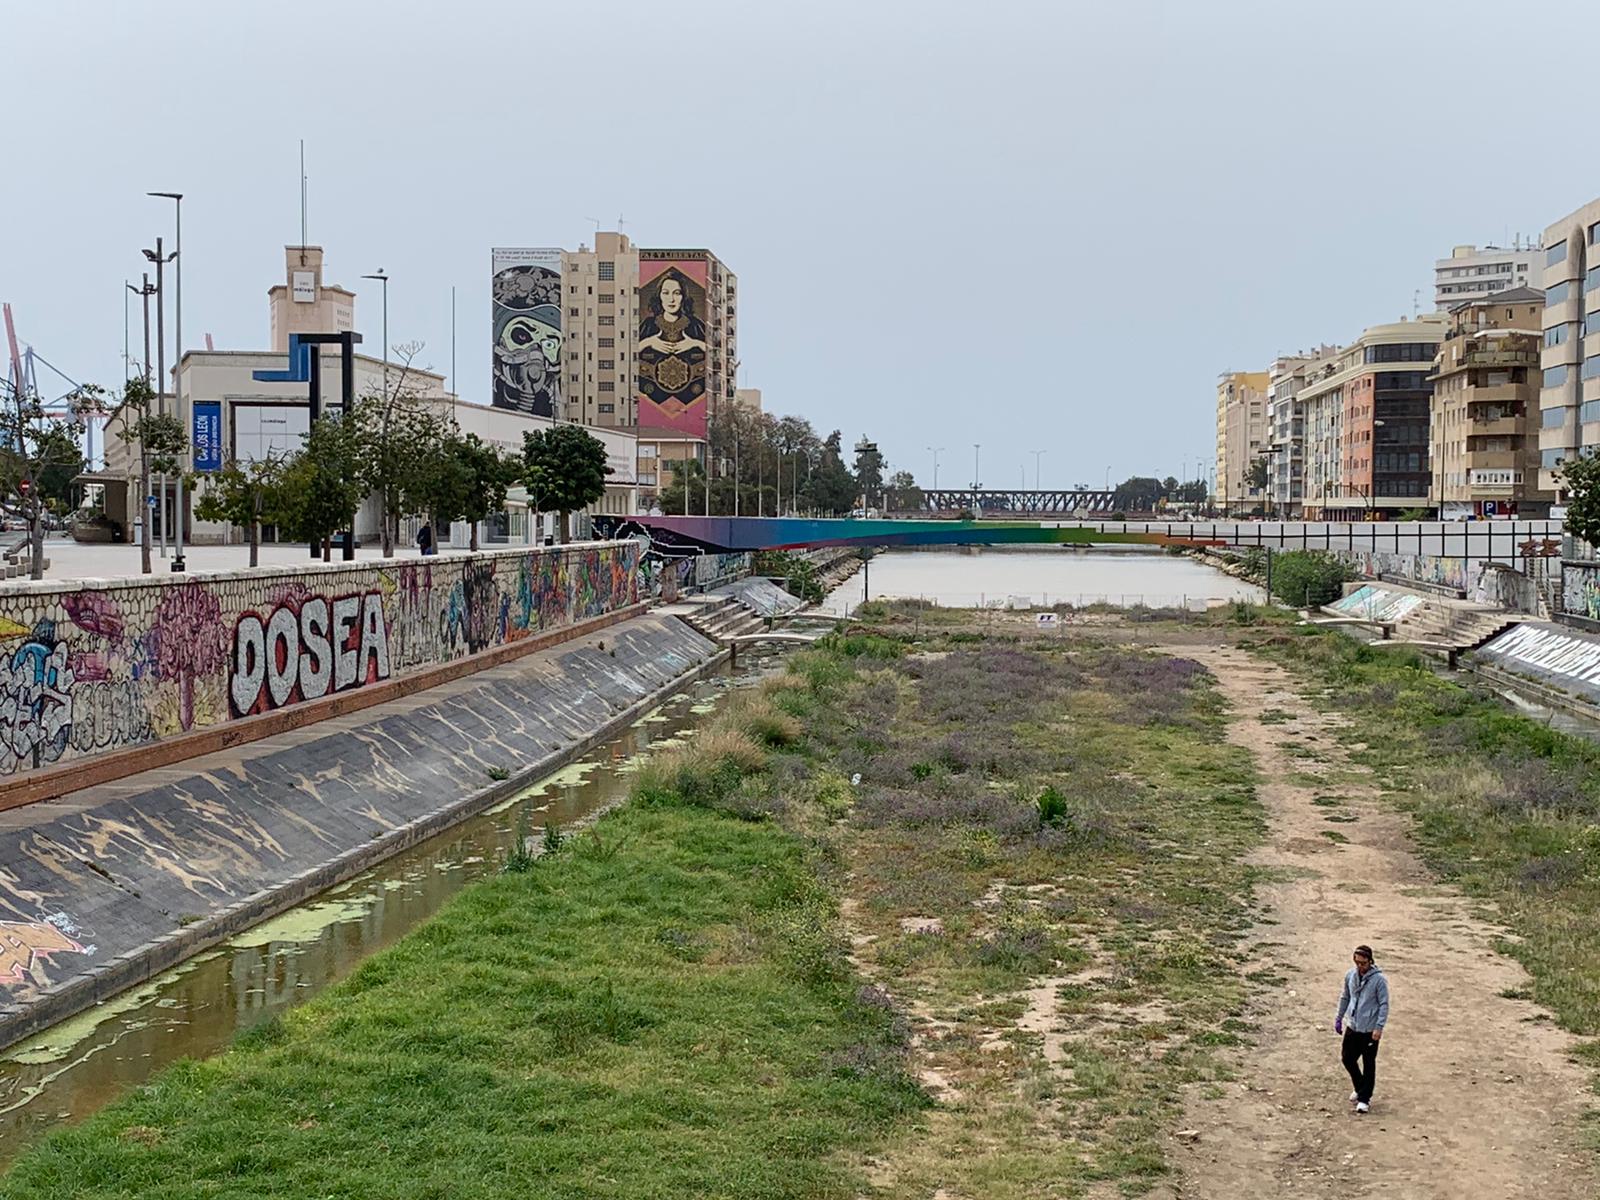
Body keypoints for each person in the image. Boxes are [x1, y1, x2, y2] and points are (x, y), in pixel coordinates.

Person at [1334, 944, 1389, 1114]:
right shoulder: (1350, 976)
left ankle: (1364, 1099)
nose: (1360, 966)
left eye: (1363, 963)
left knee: (1368, 1063)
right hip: (1353, 1025)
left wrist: (1379, 1027)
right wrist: (1339, 1017)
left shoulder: (1379, 980)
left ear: (1370, 961)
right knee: (1347, 1058)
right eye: (1357, 963)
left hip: (1369, 1028)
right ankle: (1360, 1087)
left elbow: (1384, 1004)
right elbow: (1345, 996)